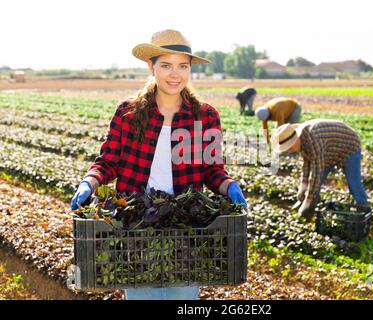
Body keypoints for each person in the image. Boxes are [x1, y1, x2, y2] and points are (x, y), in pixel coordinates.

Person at [70, 29, 247, 300]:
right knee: (141, 292)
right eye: (166, 65)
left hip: (186, 223)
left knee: (183, 294)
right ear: (151, 66)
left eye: (182, 66)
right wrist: (89, 182)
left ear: (190, 69)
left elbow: (213, 169)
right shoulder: (128, 112)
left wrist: (229, 186)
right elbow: (109, 161)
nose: (175, 74)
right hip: (136, 220)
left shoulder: (205, 115)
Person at [271, 119, 368, 216]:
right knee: (315, 183)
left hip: (349, 146)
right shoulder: (302, 141)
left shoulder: (313, 138)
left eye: (290, 147)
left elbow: (316, 171)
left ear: (296, 138)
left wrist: (308, 199)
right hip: (329, 150)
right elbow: (307, 165)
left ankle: (363, 208)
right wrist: (303, 187)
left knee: (353, 183)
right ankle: (309, 208)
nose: (289, 151)